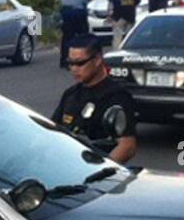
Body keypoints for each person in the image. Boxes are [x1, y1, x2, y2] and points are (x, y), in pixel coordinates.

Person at [52, 35, 138, 164]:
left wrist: (100, 171)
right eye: (70, 63)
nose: (74, 69)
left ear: (97, 59)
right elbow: (53, 132)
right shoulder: (71, 94)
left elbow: (127, 146)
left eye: (80, 63)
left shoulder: (117, 96)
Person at [56, 0, 93, 69]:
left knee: (67, 36)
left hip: (66, 10)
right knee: (82, 36)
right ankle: (82, 60)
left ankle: (65, 60)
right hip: (79, 9)